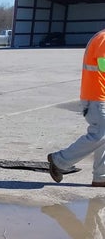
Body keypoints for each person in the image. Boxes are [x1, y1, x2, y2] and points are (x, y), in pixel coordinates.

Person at [48, 28, 105, 185]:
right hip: (96, 96)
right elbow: (103, 64)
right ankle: (59, 160)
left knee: (103, 137)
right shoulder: (103, 38)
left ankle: (101, 176)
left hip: (100, 95)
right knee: (100, 135)